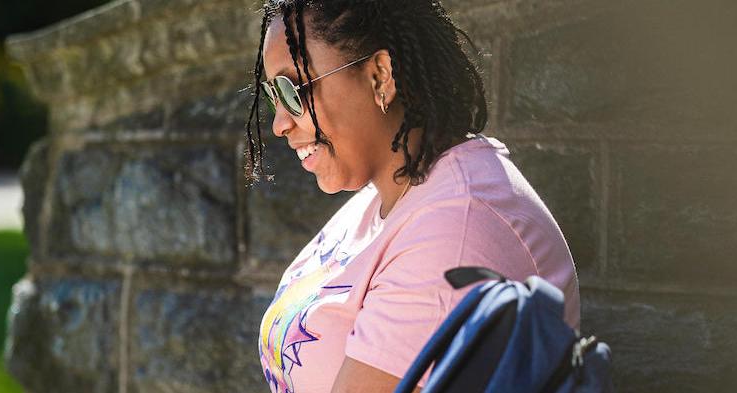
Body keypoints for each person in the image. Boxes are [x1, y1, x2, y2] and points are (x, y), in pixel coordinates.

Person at [243, 1, 581, 392]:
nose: (280, 123)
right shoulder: (394, 194)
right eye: (272, 96)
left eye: (292, 89)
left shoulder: (457, 231)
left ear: (380, 75)